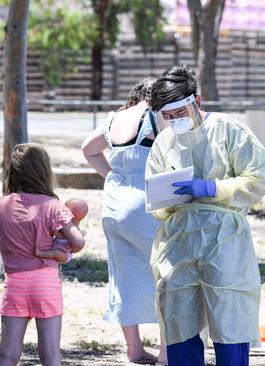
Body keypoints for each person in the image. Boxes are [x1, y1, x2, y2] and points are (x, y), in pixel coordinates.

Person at [145, 65, 265, 366]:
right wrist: (169, 199)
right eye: (168, 117)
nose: (175, 121)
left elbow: (257, 179)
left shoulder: (229, 130)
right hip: (178, 244)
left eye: (179, 113)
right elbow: (156, 201)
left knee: (229, 318)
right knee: (179, 320)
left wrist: (212, 187)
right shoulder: (164, 143)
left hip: (224, 242)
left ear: (196, 102)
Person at [81, 78, 166, 364]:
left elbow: (88, 149)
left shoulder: (114, 118)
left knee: (123, 277)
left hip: (114, 208)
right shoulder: (155, 117)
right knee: (165, 277)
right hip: (146, 205)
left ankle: (134, 348)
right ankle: (168, 352)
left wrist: (112, 176)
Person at [0, 143, 86, 366]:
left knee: (8, 354)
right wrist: (58, 246)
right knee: (50, 354)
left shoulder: (0, 205)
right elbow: (78, 242)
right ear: (45, 172)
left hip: (14, 284)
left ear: (13, 172)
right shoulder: (53, 206)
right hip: (45, 283)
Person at [35, 197, 89, 263]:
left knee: (55, 253)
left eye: (65, 208)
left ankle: (40, 253)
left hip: (65, 253)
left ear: (70, 212)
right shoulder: (69, 224)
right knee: (55, 252)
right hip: (60, 248)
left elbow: (67, 238)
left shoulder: (74, 228)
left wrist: (56, 233)